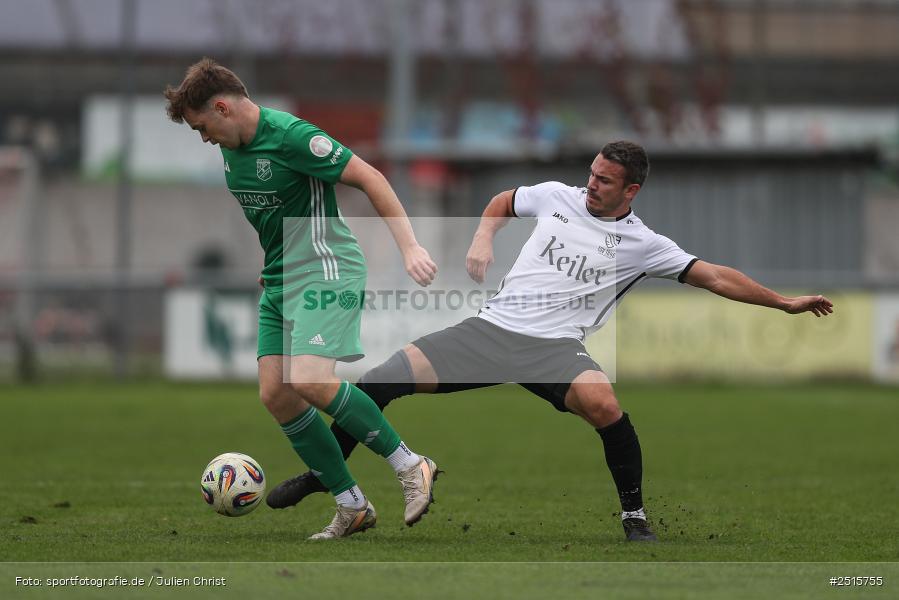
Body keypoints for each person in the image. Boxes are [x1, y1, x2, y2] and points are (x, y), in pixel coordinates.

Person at [265, 140, 834, 542]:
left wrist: (784, 302)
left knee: (605, 406)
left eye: (604, 180)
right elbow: (503, 201)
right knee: (379, 381)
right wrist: (484, 238)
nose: (591, 184)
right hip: (490, 331)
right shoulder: (558, 196)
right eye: (592, 173)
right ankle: (326, 476)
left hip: (555, 348)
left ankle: (634, 515)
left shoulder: (645, 244)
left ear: (631, 189)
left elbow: (715, 276)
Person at [164, 58, 441, 540]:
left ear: (223, 107)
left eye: (202, 127)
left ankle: (410, 464)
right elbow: (276, 213)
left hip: (326, 270)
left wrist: (410, 247)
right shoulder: (231, 148)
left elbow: (371, 177)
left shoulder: (292, 137)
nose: (204, 138)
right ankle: (352, 505)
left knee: (311, 379)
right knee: (276, 394)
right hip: (280, 280)